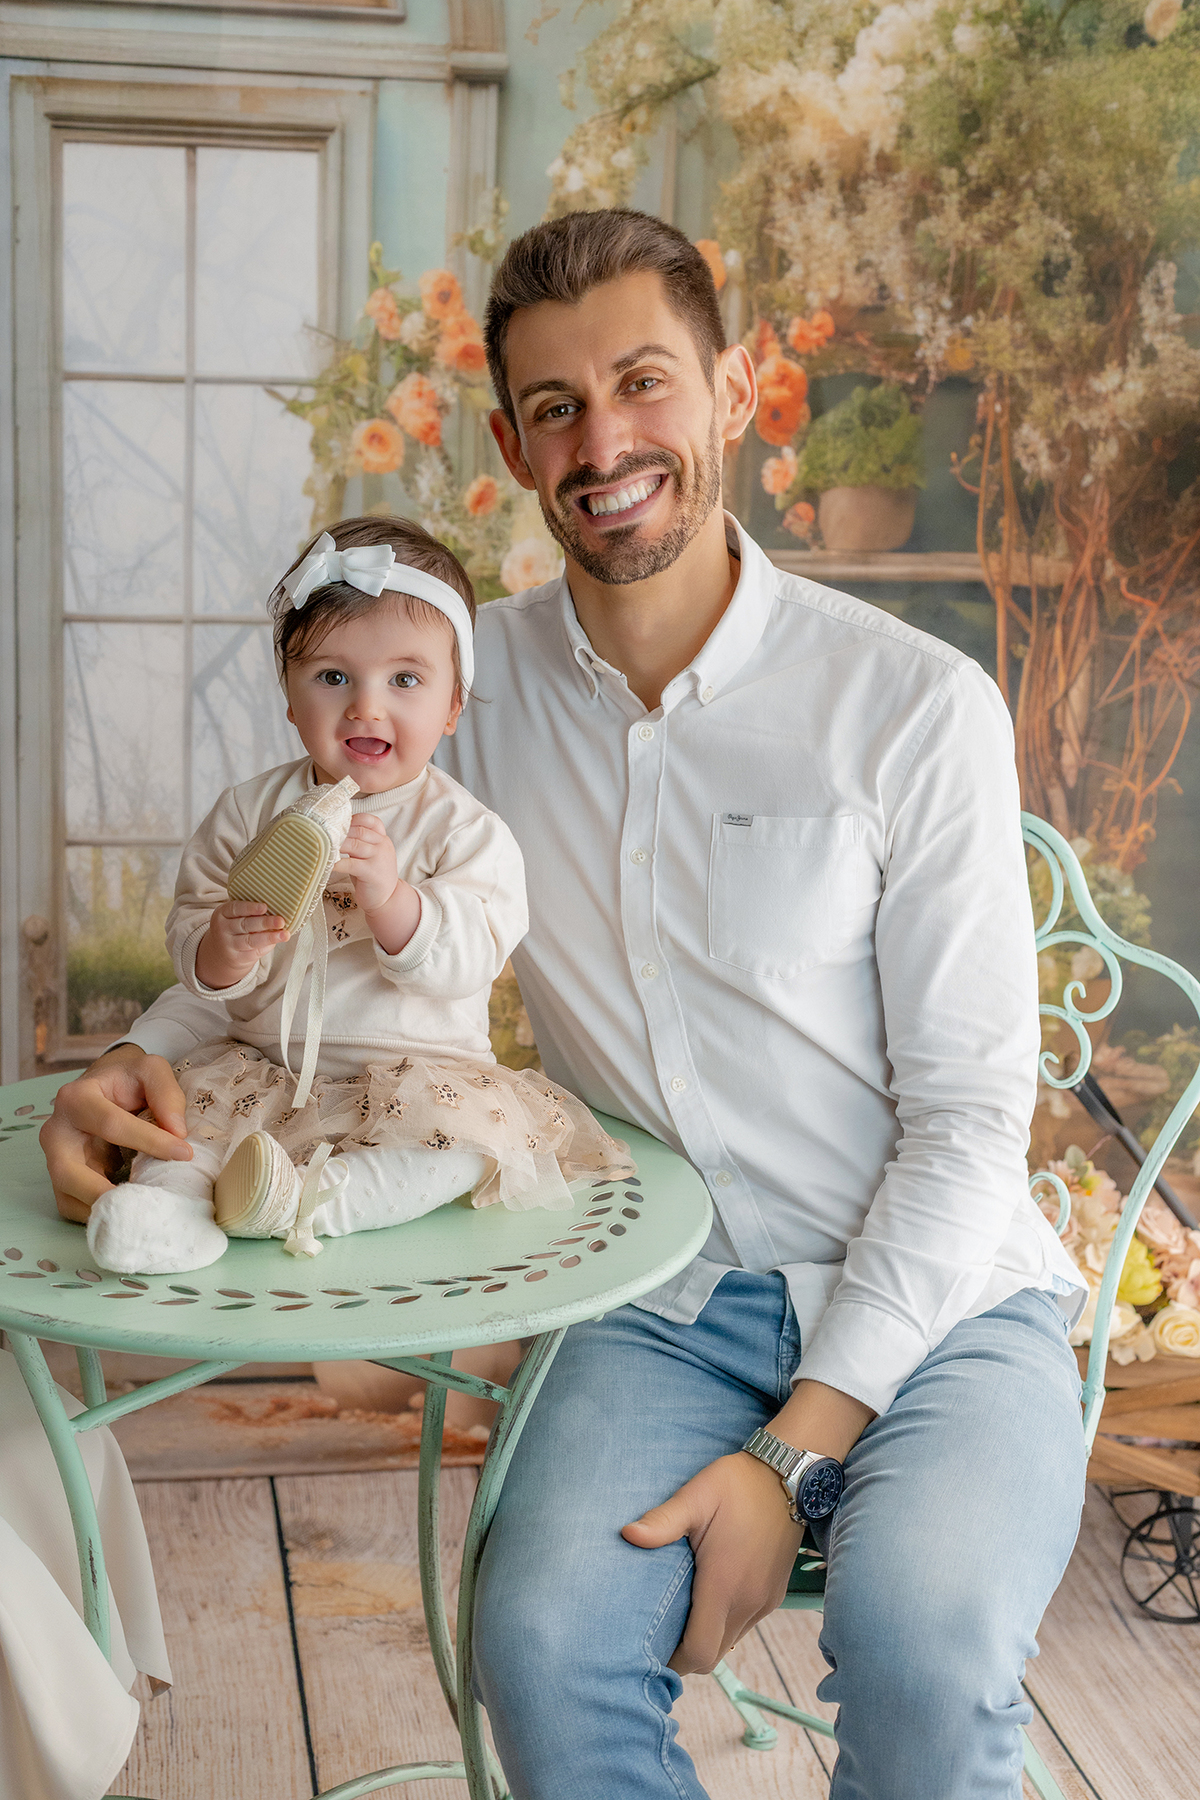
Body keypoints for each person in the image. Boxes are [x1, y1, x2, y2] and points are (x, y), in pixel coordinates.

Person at [42, 211, 1087, 1797]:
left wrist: (791, 1454)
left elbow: (966, 1128)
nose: (605, 442)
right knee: (536, 1648)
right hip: (656, 1308)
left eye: (645, 383)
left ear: (733, 391)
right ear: (511, 443)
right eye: (554, 407)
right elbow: (290, 916)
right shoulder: (449, 691)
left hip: (944, 1307)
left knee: (927, 1648)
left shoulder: (913, 708)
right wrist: (126, 1060)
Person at [80, 515, 629, 1276]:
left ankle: (313, 1201)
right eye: (333, 677)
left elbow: (473, 955)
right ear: (289, 697)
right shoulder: (248, 813)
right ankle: (167, 1213)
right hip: (261, 1069)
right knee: (186, 1128)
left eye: (404, 680)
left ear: (452, 706)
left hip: (415, 1079)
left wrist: (394, 898)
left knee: (462, 1151)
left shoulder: (464, 830)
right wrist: (222, 945)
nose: (366, 707)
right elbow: (192, 935)